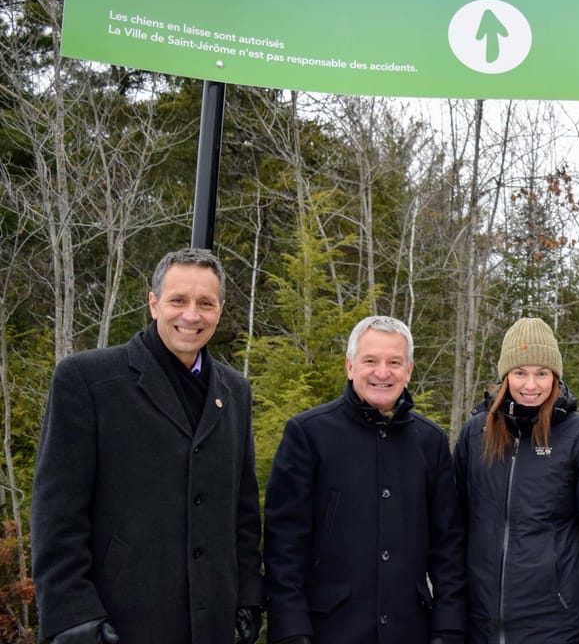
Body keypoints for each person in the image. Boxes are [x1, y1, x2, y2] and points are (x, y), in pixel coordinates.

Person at [31, 247, 264, 644]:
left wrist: (247, 597)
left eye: (205, 303)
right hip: (118, 623)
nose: (192, 315)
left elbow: (240, 513)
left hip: (212, 625)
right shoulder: (88, 380)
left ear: (220, 311)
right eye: (178, 300)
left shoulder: (234, 391)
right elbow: (57, 515)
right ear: (154, 303)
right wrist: (74, 618)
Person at [264, 315, 466, 644]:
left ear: (409, 370)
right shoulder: (309, 434)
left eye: (394, 362)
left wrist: (449, 627)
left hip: (410, 629)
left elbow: (449, 546)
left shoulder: (430, 442)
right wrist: (291, 629)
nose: (382, 373)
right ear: (350, 366)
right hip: (329, 629)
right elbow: (284, 543)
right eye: (370, 360)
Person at [453, 317, 579, 644]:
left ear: (554, 376)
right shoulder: (476, 433)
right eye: (520, 373)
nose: (531, 385)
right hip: (481, 618)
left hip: (556, 621)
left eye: (541, 373)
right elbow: (455, 525)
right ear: (505, 376)